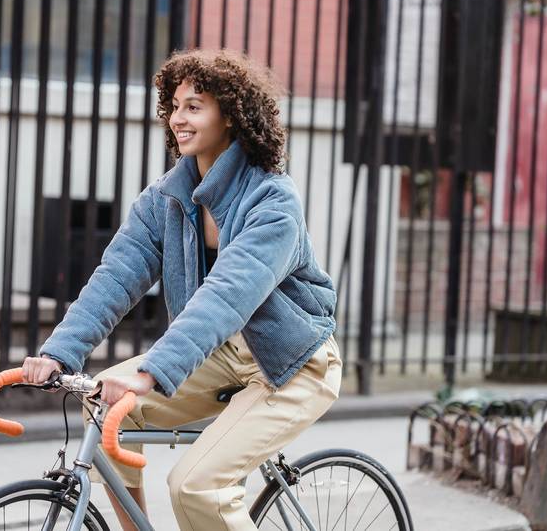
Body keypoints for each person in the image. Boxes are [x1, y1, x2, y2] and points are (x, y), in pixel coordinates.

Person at [21, 49, 342, 531]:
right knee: (106, 407)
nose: (178, 119)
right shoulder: (166, 200)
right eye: (174, 106)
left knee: (196, 487)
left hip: (291, 366)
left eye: (195, 106)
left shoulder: (273, 202)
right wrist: (61, 351)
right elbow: (116, 276)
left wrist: (151, 374)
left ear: (230, 115)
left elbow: (225, 298)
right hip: (220, 358)